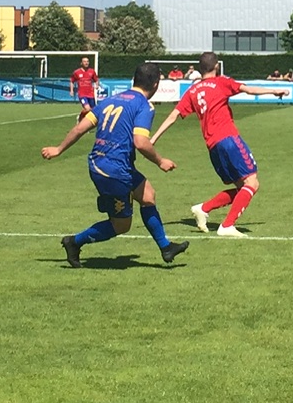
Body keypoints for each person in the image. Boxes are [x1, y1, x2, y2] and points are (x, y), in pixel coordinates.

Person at [40, 62, 190, 266]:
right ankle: (74, 242)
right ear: (155, 84)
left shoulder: (110, 100)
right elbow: (141, 142)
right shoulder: (144, 106)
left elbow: (79, 129)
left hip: (107, 163)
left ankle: (166, 248)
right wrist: (160, 161)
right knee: (121, 225)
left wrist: (58, 149)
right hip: (113, 171)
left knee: (148, 196)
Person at [152, 51, 288, 237]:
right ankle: (227, 226)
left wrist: (152, 140)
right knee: (252, 183)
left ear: (200, 69)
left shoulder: (192, 90)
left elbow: (173, 116)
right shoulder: (222, 82)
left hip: (213, 147)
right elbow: (248, 89)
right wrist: (274, 90)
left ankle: (203, 208)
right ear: (216, 66)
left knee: (243, 187)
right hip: (229, 139)